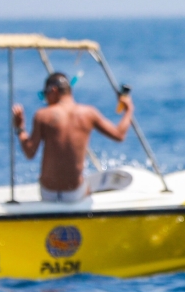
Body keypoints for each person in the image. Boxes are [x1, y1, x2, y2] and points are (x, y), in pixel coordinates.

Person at [14, 73, 132, 201]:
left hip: (48, 192)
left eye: (44, 94)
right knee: (90, 186)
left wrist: (20, 128)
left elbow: (29, 153)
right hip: (74, 193)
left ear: (53, 90)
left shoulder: (42, 115)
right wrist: (129, 109)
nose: (45, 100)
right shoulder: (88, 113)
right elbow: (119, 135)